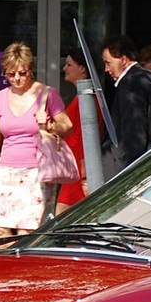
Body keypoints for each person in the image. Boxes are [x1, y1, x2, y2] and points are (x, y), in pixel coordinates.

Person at [0, 42, 75, 236]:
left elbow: (68, 127)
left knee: (27, 231)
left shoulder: (46, 94)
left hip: (36, 171)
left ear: (30, 70)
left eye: (22, 73)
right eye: (11, 74)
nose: (17, 79)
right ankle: (11, 264)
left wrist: (49, 126)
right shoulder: (0, 98)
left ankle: (23, 264)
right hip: (6, 171)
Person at [100, 34, 151, 173]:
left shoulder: (130, 84)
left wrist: (128, 176)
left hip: (138, 171)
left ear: (123, 60)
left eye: (108, 63)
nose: (106, 69)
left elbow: (133, 137)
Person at [54, 47, 100, 214]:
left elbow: (86, 140)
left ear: (82, 68)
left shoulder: (87, 100)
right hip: (77, 170)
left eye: (69, 64)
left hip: (79, 173)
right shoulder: (84, 98)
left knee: (64, 222)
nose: (64, 68)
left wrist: (86, 176)